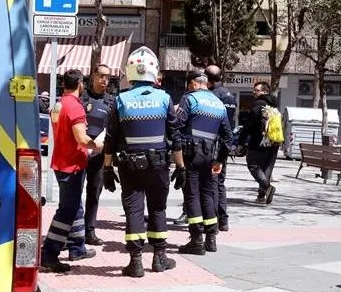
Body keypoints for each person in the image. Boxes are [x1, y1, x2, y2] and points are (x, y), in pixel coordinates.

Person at [102, 47, 182, 277]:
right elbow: (174, 137)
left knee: (134, 211)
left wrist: (107, 167)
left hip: (129, 166)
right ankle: (159, 258)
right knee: (158, 208)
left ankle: (135, 261)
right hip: (158, 166)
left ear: (130, 71)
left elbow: (110, 138)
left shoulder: (120, 100)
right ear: (153, 71)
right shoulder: (165, 99)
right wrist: (182, 167)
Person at [39, 69, 101, 273]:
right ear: (81, 84)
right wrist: (99, 145)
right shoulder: (75, 107)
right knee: (67, 210)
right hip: (72, 165)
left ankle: (77, 247)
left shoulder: (57, 104)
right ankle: (49, 253)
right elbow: (82, 139)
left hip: (60, 161)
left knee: (75, 206)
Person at [176, 69, 232, 255]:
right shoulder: (219, 103)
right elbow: (227, 136)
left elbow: (177, 126)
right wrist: (220, 160)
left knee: (192, 195)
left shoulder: (189, 99)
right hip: (210, 156)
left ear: (192, 83)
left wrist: (176, 156)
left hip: (190, 155)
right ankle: (211, 239)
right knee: (208, 195)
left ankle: (196, 240)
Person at [80, 64, 115, 246]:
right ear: (93, 75)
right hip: (79, 153)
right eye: (101, 76)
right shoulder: (81, 98)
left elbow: (113, 129)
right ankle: (72, 231)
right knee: (74, 194)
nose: (104, 81)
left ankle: (89, 231)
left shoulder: (111, 102)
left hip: (99, 155)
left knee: (94, 193)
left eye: (108, 77)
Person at [205, 65, 237, 231]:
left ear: (208, 79)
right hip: (224, 146)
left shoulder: (211, 96)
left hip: (213, 145)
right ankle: (223, 220)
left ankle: (215, 220)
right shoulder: (230, 95)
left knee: (212, 183)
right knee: (220, 183)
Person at [237, 81, 280, 203]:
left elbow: (248, 125)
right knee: (267, 168)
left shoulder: (258, 104)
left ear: (265, 91)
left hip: (258, 142)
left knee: (253, 164)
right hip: (274, 142)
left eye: (256, 90)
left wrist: (241, 141)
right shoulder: (274, 106)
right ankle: (261, 196)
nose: (254, 92)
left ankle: (267, 187)